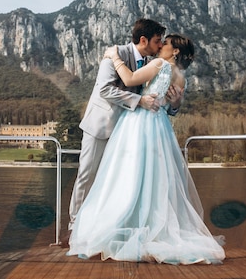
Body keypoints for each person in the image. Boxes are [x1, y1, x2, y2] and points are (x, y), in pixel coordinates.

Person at [67, 34, 225, 265]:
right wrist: (176, 104)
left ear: (175, 51)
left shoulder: (160, 64)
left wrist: (113, 57)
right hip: (160, 127)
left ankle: (121, 225)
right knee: (155, 179)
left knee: (126, 175)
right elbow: (173, 106)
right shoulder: (183, 77)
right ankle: (150, 226)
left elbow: (130, 80)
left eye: (166, 43)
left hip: (138, 123)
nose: (161, 46)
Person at [66, 19, 183, 241]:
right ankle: (75, 228)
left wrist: (175, 104)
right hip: (101, 126)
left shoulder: (154, 63)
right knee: (87, 176)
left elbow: (160, 104)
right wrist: (139, 100)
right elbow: (105, 90)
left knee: (118, 182)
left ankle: (109, 228)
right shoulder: (114, 55)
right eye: (158, 41)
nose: (160, 46)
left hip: (129, 134)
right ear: (143, 40)